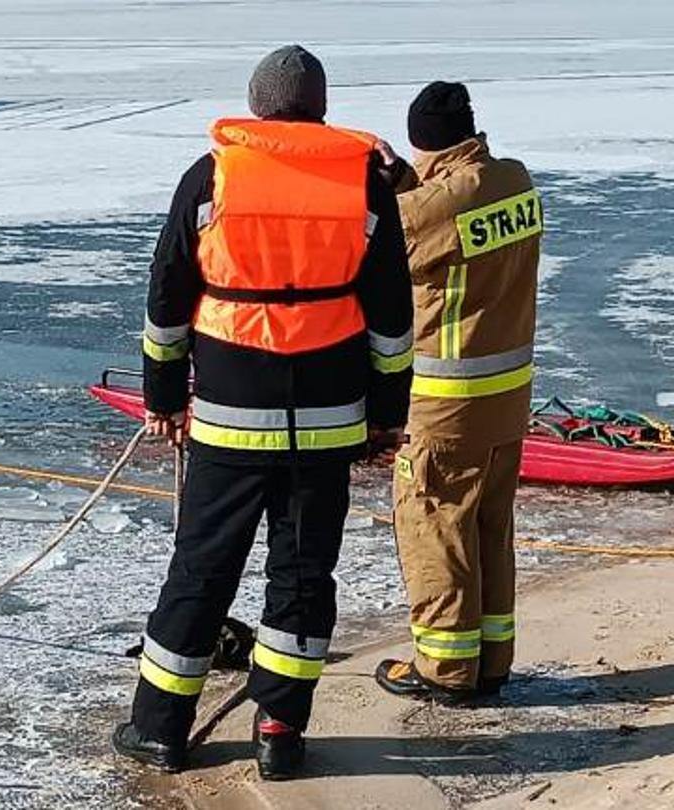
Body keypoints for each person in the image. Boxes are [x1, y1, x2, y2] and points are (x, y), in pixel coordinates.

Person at [113, 45, 413, 780]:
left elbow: (167, 296)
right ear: (319, 106)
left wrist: (161, 396)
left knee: (202, 569)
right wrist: (385, 415)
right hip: (329, 414)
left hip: (226, 414)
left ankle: (160, 728)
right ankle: (280, 730)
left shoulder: (213, 175)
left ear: (257, 106)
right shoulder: (364, 181)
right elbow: (392, 318)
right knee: (305, 574)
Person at [373, 81, 541, 705]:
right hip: (508, 398)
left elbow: (385, 245)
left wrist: (388, 185)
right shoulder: (514, 180)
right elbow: (453, 219)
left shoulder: (431, 205)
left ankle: (445, 670)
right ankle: (492, 662)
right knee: (490, 528)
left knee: (436, 526)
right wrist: (414, 185)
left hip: (446, 403)